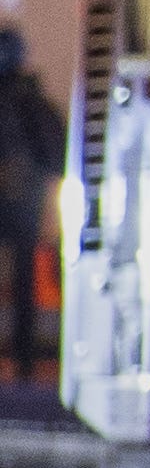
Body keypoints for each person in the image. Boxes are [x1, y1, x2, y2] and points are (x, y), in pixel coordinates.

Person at [0, 25, 49, 386]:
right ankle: (24, 357)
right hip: (23, 202)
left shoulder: (28, 98)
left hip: (21, 202)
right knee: (24, 280)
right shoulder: (30, 96)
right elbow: (54, 149)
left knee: (24, 280)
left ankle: (25, 356)